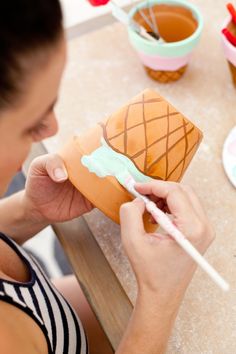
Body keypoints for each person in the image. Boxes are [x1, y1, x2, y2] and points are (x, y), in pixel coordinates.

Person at [0, 1, 214, 353]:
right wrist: (159, 300)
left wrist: (28, 211)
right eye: (32, 123)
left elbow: (41, 316)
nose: (52, 128)